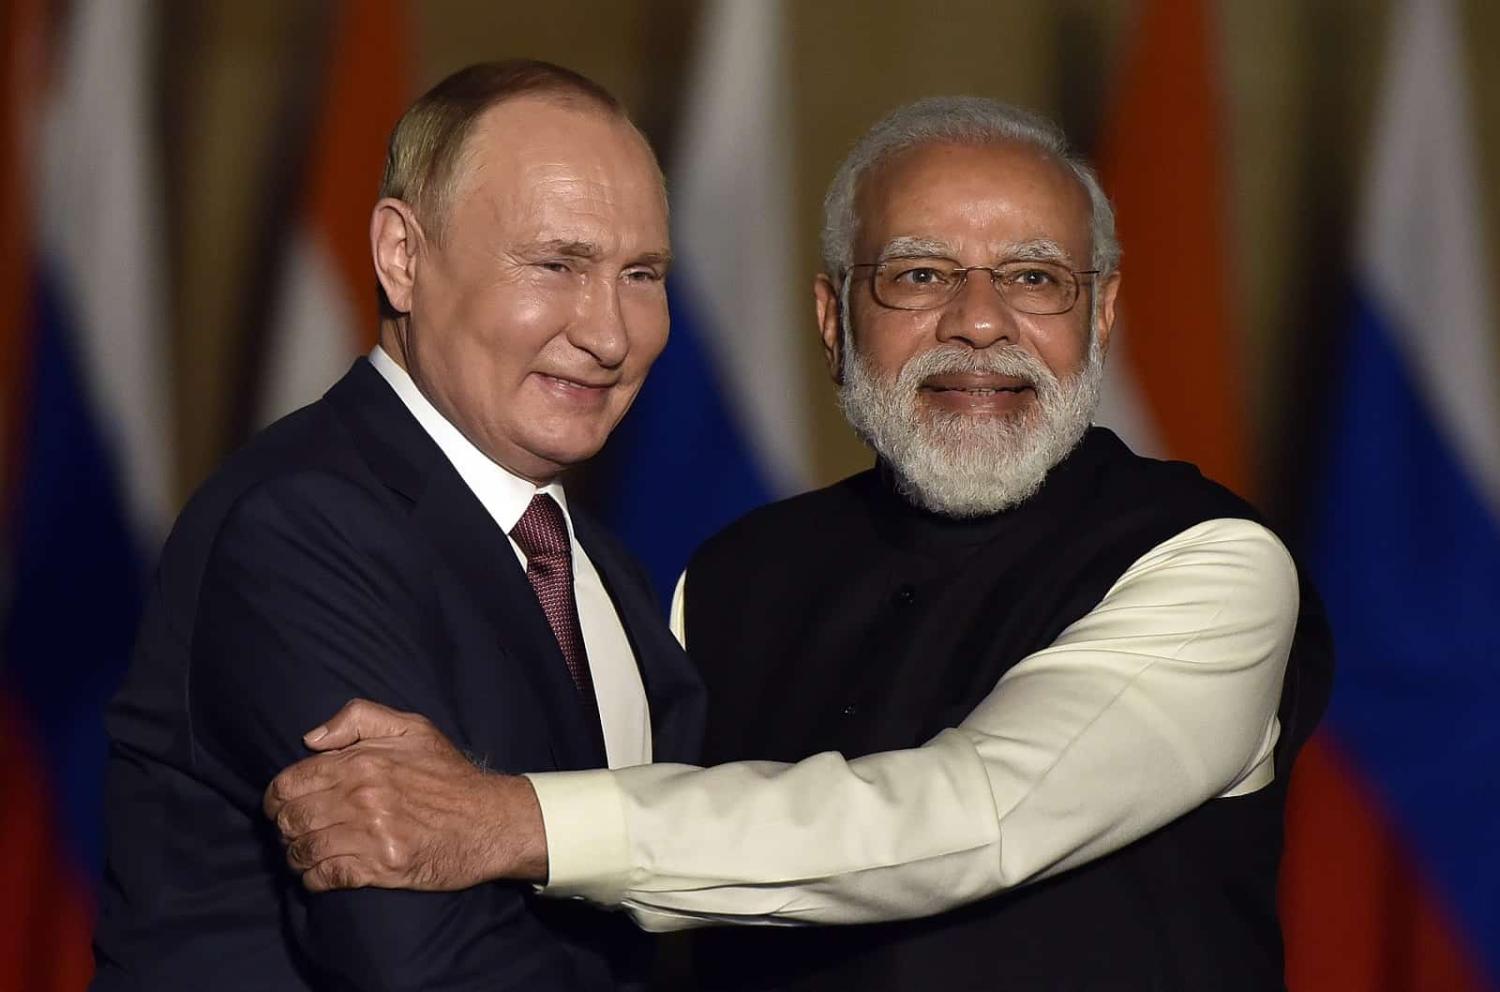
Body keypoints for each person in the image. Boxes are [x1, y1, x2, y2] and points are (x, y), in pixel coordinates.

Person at [267, 98, 1334, 989]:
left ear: (1099, 318)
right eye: (918, 275)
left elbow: (974, 816)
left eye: (1035, 278)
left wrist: (512, 818)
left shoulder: (1215, 564)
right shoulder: (731, 577)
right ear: (832, 319)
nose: (979, 320)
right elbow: (623, 914)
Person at [91, 60, 704, 992]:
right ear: (402, 257)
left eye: (642, 274)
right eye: (556, 264)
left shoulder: (603, 568)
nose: (610, 334)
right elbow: (419, 958)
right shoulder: (303, 525)